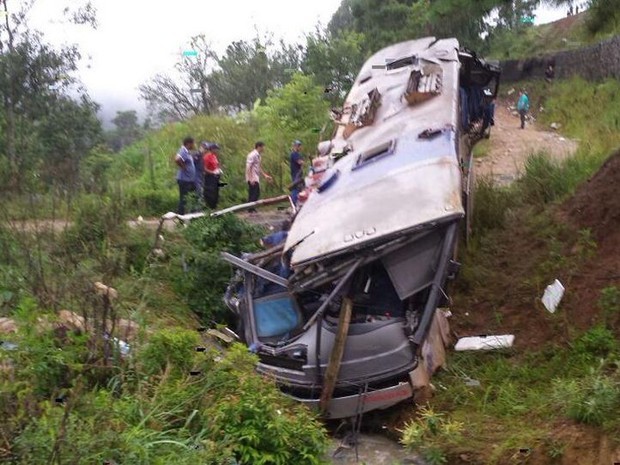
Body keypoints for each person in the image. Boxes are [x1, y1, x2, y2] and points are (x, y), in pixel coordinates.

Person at [245, 141, 272, 212]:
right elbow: (248, 167)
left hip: (256, 177)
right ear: (259, 147)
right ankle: (251, 209)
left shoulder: (258, 155)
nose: (263, 149)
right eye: (263, 147)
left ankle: (251, 208)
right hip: (252, 177)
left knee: (255, 193)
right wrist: (250, 178)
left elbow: (258, 167)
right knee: (254, 193)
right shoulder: (252, 155)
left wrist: (265, 175)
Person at [175, 136, 196, 215]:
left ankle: (193, 214)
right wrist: (183, 166)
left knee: (194, 196)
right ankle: (180, 217)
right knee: (183, 199)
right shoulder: (183, 150)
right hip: (184, 180)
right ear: (188, 143)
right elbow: (177, 159)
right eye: (193, 143)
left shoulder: (187, 151)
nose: (194, 145)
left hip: (189, 180)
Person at [203, 142, 223, 209]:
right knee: (210, 193)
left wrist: (219, 170)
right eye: (216, 149)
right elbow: (205, 168)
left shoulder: (214, 156)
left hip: (216, 177)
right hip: (209, 177)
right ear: (212, 149)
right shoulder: (207, 157)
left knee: (216, 193)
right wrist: (212, 172)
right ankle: (210, 208)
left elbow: (216, 165)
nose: (217, 150)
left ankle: (214, 207)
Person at [289, 140, 304, 205]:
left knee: (300, 188)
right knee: (296, 187)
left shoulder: (298, 154)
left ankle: (299, 201)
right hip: (296, 174)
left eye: (300, 146)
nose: (299, 147)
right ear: (295, 146)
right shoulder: (294, 154)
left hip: (299, 173)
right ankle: (294, 202)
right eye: (298, 146)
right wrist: (303, 162)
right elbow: (299, 162)